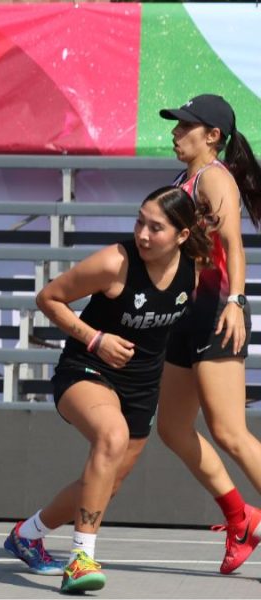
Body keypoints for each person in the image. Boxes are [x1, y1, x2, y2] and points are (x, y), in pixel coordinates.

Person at [4, 187, 211, 594]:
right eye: (140, 221)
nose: (144, 234)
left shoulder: (195, 267)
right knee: (110, 436)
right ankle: (81, 559)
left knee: (104, 485)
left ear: (183, 236)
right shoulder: (115, 262)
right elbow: (49, 298)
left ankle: (27, 535)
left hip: (142, 384)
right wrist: (96, 338)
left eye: (157, 227)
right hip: (86, 368)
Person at [156, 94, 261, 574]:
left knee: (231, 433)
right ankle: (240, 518)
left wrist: (237, 302)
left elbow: (235, 247)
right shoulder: (184, 180)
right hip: (186, 318)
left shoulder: (216, 178)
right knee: (173, 429)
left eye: (185, 127)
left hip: (218, 313)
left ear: (212, 136)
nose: (176, 134)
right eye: (177, 127)